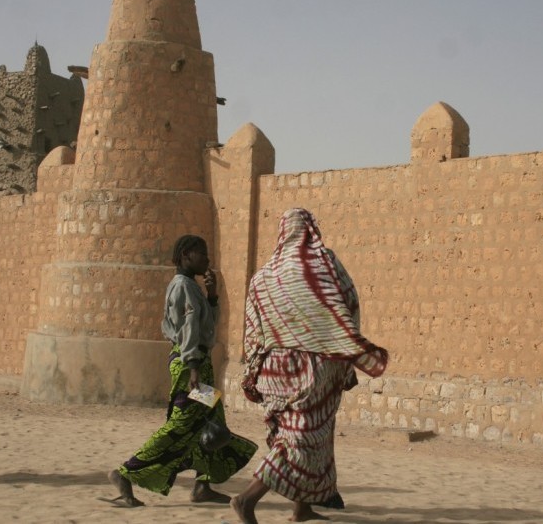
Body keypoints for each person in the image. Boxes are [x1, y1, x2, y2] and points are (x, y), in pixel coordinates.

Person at [231, 208, 388, 524]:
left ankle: (301, 508)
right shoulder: (324, 264)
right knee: (301, 439)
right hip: (314, 368)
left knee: (301, 436)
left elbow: (253, 329)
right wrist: (347, 362)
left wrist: (253, 373)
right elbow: (348, 305)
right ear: (311, 230)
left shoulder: (262, 276)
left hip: (274, 370)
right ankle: (247, 499)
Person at [108, 235, 257, 507]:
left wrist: (212, 297)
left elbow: (205, 327)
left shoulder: (192, 287)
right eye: (202, 253)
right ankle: (124, 473)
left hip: (199, 363)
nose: (207, 259)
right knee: (180, 425)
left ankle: (203, 486)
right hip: (191, 366)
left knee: (214, 421)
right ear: (186, 255)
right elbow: (188, 330)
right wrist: (193, 369)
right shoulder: (183, 287)